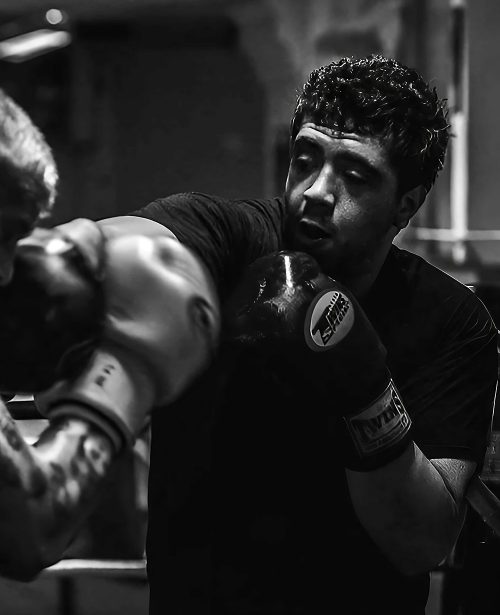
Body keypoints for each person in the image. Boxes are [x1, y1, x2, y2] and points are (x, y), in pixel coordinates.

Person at [0, 54, 496, 615]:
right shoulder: (236, 241)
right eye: (305, 160)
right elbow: (145, 245)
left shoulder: (454, 323)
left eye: (354, 176)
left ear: (406, 206)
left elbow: (422, 543)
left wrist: (366, 393)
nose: (315, 192)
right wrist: (71, 262)